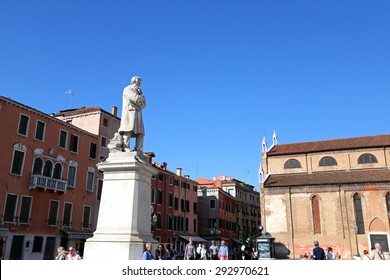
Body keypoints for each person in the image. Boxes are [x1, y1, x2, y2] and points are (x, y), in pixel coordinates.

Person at [118, 76, 146, 152]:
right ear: (134, 81)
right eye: (138, 82)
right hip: (129, 113)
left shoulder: (139, 92)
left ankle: (139, 150)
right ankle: (126, 147)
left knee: (141, 132)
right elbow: (135, 98)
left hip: (138, 113)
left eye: (140, 82)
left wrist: (141, 100)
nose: (139, 83)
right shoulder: (127, 89)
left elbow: (144, 104)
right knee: (128, 129)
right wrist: (141, 99)